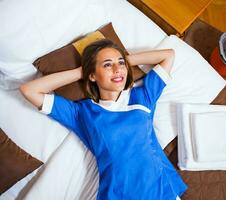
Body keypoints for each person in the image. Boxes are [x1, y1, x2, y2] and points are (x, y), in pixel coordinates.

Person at [20, 39, 188, 200]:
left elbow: (168, 55)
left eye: (120, 63)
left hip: (161, 189)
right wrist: (81, 72)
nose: (117, 69)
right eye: (107, 64)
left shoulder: (143, 96)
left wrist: (125, 60)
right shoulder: (82, 113)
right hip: (117, 193)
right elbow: (29, 90)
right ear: (92, 75)